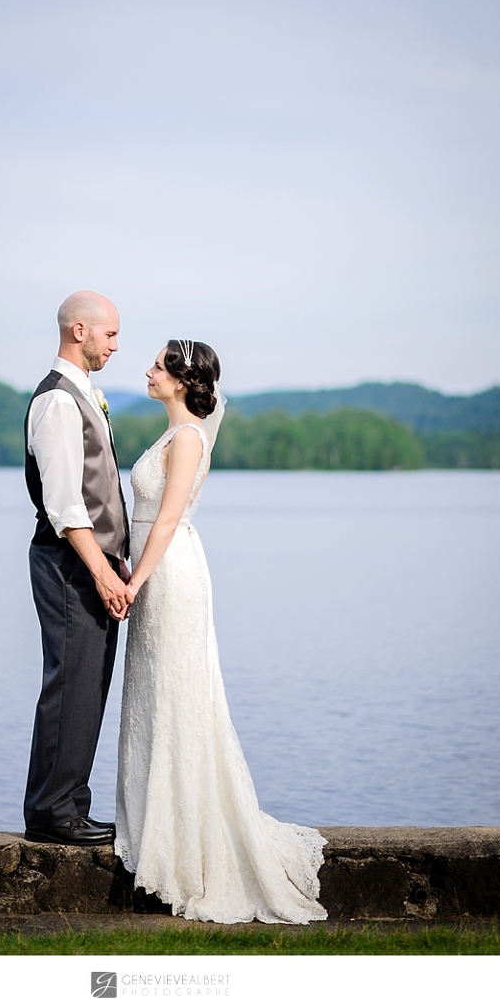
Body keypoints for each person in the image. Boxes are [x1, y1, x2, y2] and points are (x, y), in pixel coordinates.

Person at [114, 339, 328, 923]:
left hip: (171, 575)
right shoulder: (171, 433)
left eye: (159, 365)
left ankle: (185, 845)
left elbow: (166, 518)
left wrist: (134, 582)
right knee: (154, 700)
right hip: (156, 573)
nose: (149, 371)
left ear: (183, 380)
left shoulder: (186, 440)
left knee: (181, 701)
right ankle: (155, 828)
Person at [23, 291, 133, 846]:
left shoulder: (85, 395)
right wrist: (103, 573)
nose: (116, 345)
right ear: (80, 330)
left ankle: (71, 805)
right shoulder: (59, 402)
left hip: (87, 564)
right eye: (110, 334)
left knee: (87, 686)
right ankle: (51, 814)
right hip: (71, 564)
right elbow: (67, 507)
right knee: (70, 684)